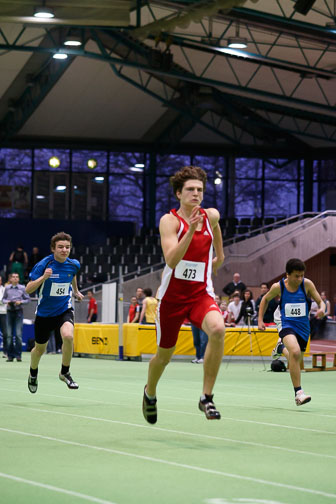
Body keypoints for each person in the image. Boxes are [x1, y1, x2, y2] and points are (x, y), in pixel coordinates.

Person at [142, 165, 225, 424]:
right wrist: (190, 230)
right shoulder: (169, 221)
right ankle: (150, 392)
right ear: (179, 193)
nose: (196, 194)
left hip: (200, 295)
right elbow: (172, 260)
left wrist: (213, 262)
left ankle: (206, 397)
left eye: (200, 190)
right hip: (172, 300)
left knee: (219, 329)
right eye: (190, 189)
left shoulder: (211, 217)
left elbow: (219, 254)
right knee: (164, 356)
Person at [258, 258, 325, 406]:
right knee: (294, 352)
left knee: (296, 358)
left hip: (303, 326)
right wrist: (260, 320)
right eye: (296, 276)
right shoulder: (279, 287)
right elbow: (265, 299)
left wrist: (322, 309)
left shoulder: (307, 284)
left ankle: (281, 348)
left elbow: (321, 301)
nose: (299, 278)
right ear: (287, 274)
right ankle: (299, 393)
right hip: (285, 322)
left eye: (302, 275)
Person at [25, 231, 84, 394]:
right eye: (60, 247)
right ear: (53, 249)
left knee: (68, 336)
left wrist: (76, 291)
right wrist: (43, 278)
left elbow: (72, 276)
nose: (64, 250)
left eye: (67, 247)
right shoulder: (44, 265)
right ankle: (33, 373)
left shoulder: (74, 264)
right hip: (44, 314)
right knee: (39, 350)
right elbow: (28, 289)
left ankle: (65, 372)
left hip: (64, 309)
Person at [2, 272, 30, 362]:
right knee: (9, 335)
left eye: (16, 277)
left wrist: (20, 302)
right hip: (9, 312)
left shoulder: (22, 288)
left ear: (18, 279)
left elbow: (28, 299)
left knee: (18, 335)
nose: (15, 278)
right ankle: (10, 356)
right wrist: (8, 301)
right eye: (13, 277)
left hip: (19, 312)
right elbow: (3, 299)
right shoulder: (7, 288)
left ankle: (18, 355)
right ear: (10, 279)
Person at [0, 276, 8, 358]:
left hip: (3, 313)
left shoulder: (4, 289)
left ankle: (5, 352)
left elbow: (4, 300)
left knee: (5, 333)